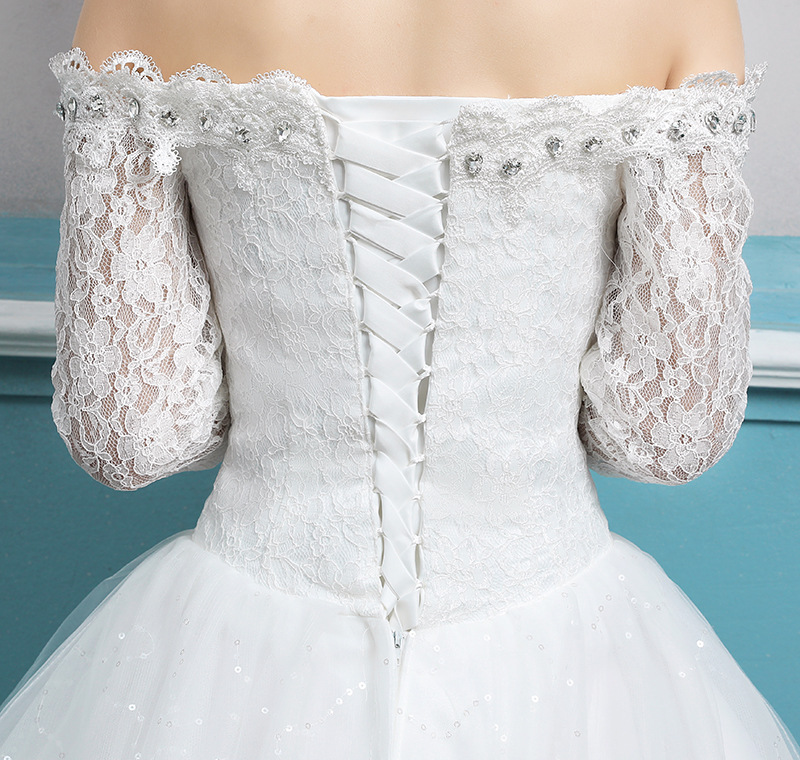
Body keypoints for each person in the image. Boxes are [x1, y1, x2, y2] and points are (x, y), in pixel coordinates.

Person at [0, 0, 798, 756]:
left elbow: (131, 436)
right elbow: (668, 436)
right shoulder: (681, 9)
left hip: (247, 644)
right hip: (554, 642)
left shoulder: (132, 9)